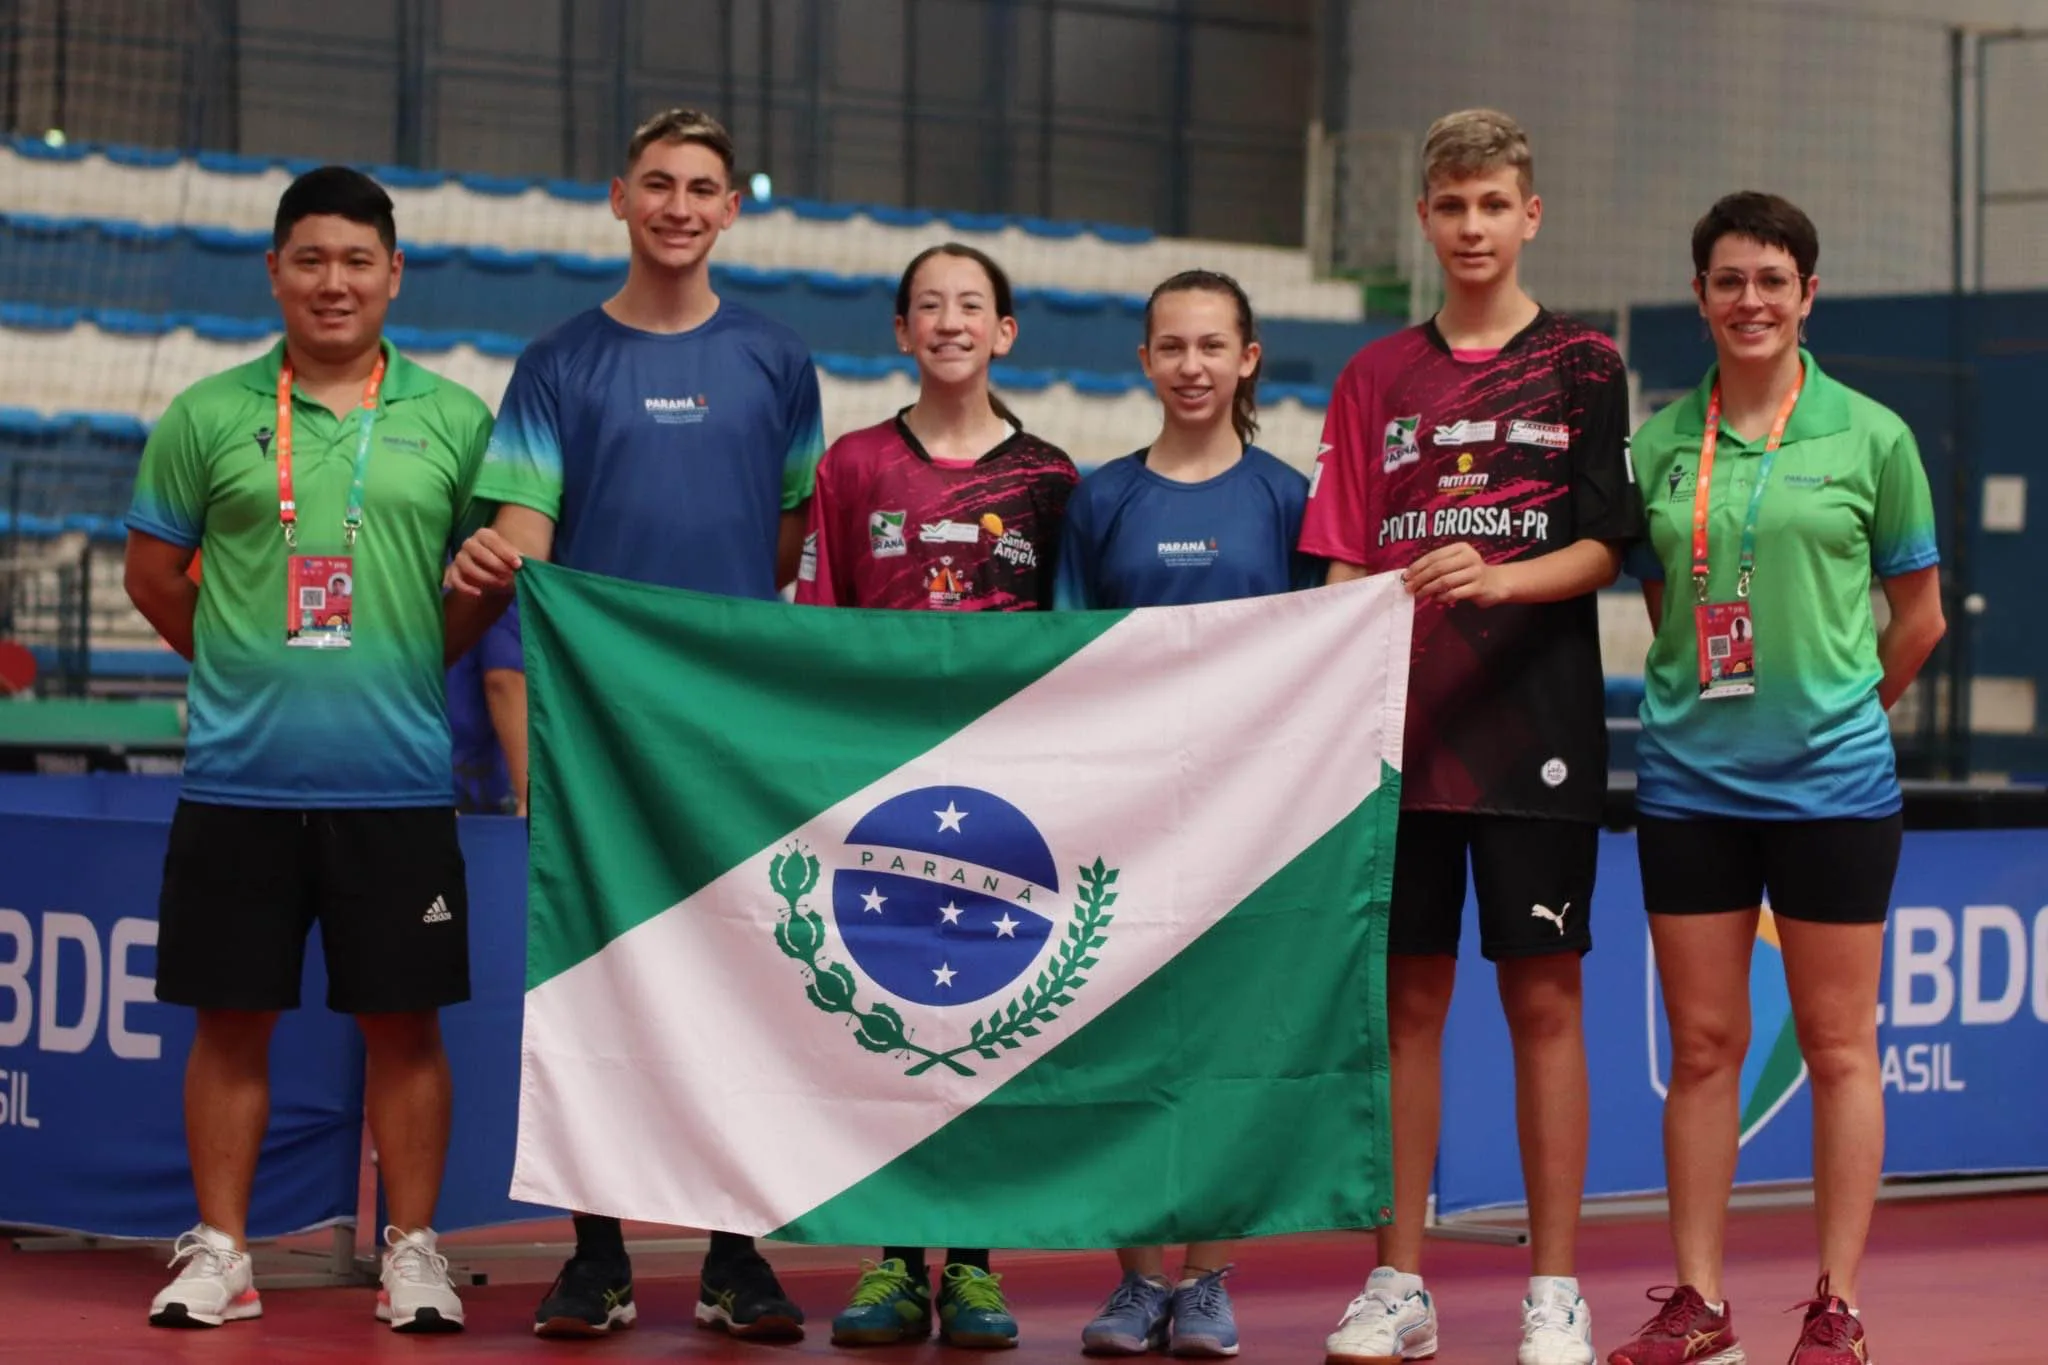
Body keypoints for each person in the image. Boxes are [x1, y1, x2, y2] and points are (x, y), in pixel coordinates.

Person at [441, 107, 824, 1344]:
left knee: (746, 989)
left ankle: (733, 1256)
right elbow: (528, 569)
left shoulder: (779, 363)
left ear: (729, 210)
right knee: (595, 1002)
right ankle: (595, 1257)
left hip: (731, 737)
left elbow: (780, 547)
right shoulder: (556, 365)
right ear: (618, 198)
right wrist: (536, 733)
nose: (677, 204)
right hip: (596, 744)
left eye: (700, 187)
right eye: (655, 183)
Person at [123, 166, 492, 1334]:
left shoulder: (454, 420)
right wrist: (240, 663)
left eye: (356, 261)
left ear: (395, 275)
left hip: (395, 782)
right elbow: (152, 578)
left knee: (406, 1023)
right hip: (240, 780)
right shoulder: (206, 415)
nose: (334, 282)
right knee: (230, 1019)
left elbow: (482, 588)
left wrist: (399, 663)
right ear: (275, 270)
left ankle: (416, 1252)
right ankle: (224, 1253)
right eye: (310, 259)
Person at [1302, 109, 1640, 1365]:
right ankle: (1399, 1282)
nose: (1471, 227)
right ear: (1425, 218)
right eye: (1450, 207)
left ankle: (1553, 1291)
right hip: (1398, 741)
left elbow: (1608, 546)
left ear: (1528, 213)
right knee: (1406, 1012)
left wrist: (1497, 578)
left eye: (1492, 205)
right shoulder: (1373, 376)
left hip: (1538, 729)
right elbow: (1337, 559)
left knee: (1543, 1005)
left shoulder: (1585, 365)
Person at [1607, 193, 1944, 1365]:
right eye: (1726, 280)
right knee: (1701, 1049)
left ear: (1806, 294)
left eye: (1770, 279)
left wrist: (1841, 715)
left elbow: (1919, 618)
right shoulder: (1656, 443)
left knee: (1838, 1043)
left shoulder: (1871, 436)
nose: (1748, 299)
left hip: (1835, 793)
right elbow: (1668, 613)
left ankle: (1835, 1307)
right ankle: (1696, 1304)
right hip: (1689, 787)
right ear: (1697, 297)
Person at [797, 242, 1077, 1350]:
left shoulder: (1051, 481)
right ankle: (886, 1262)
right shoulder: (854, 466)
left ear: (1005, 332)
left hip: (1006, 805)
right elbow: (819, 633)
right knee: (883, 1023)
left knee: (982, 1020)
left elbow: (1077, 647)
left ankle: (969, 1262)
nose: (950, 321)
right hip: (879, 799)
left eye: (972, 305)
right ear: (901, 333)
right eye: (928, 305)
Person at [1060, 269, 1317, 1359]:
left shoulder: (1283, 497)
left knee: (1218, 1056)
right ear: (1144, 362)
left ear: (1247, 358)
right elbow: (1063, 661)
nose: (1193, 366)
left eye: (1213, 346)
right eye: (1171, 346)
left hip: (1248, 825)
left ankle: (1206, 1282)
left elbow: (1322, 654)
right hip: (1121, 822)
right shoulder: (1100, 498)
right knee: (1124, 1049)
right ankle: (1133, 1283)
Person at [446, 603, 526, 815]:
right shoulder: (490, 582)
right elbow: (504, 680)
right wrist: (528, 797)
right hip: (468, 795)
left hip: (395, 784)